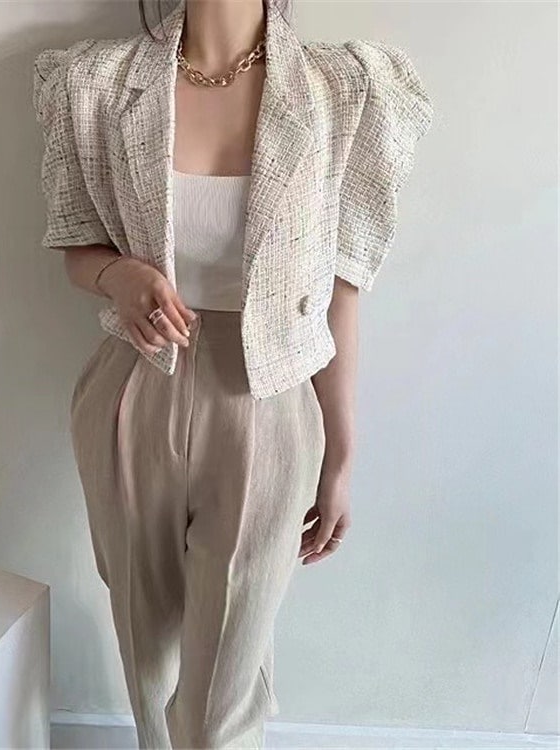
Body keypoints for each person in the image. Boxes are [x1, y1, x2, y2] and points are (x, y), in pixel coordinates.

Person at [32, 0, 434, 746]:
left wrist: (341, 456)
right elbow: (77, 245)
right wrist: (119, 275)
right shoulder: (94, 82)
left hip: (270, 400)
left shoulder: (342, 90)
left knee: (227, 678)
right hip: (134, 385)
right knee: (145, 649)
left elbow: (341, 290)